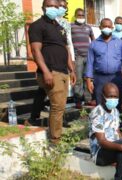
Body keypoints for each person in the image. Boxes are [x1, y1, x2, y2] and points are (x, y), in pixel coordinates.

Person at [28, 0, 76, 143]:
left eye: (56, 6)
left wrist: (71, 70)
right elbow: (36, 51)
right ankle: (55, 140)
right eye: (50, 6)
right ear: (43, 7)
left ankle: (55, 136)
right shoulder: (37, 26)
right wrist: (46, 71)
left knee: (60, 106)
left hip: (63, 71)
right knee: (57, 107)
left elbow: (65, 49)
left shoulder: (59, 27)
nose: (54, 9)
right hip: (51, 71)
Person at [89, 83, 122, 180]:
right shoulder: (98, 113)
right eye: (110, 96)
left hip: (113, 148)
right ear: (102, 97)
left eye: (115, 97)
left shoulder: (115, 111)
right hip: (99, 154)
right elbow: (102, 141)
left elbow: (117, 132)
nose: (113, 99)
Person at [85, 18, 122, 113]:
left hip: (116, 77)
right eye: (105, 26)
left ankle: (119, 126)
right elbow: (89, 63)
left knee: (117, 104)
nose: (107, 28)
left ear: (112, 27)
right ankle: (101, 127)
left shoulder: (119, 42)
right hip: (100, 78)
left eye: (109, 26)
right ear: (100, 27)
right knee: (100, 104)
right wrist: (88, 81)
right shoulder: (94, 44)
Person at [71, 8, 95, 109]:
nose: (81, 17)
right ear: (75, 16)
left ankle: (88, 99)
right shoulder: (70, 26)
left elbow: (93, 40)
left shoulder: (88, 27)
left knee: (87, 78)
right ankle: (78, 100)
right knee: (78, 80)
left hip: (88, 56)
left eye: (82, 15)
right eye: (79, 15)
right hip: (78, 57)